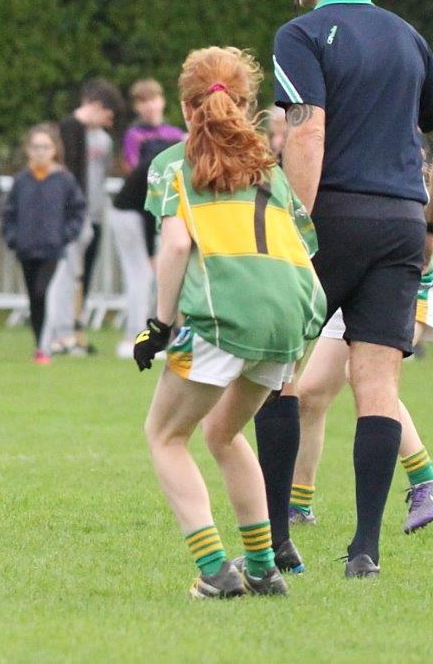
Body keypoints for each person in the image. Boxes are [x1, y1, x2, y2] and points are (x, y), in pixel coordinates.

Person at [267, 0, 433, 578]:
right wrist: (431, 226)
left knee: (279, 369)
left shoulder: (299, 35)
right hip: (402, 223)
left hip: (333, 218)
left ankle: (279, 540)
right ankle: (364, 550)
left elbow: (306, 133)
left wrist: (295, 225)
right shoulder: (409, 38)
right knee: (377, 383)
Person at [136, 46, 325, 599]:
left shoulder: (174, 162)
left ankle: (217, 570)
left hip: (225, 315)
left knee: (165, 436)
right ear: (245, 107)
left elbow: (175, 247)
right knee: (224, 432)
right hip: (290, 318)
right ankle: (264, 566)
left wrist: (158, 325)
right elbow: (305, 244)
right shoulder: (271, 170)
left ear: (185, 105)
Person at [290, 251, 433, 534]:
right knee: (310, 394)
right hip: (356, 281)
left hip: (405, 278)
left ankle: (426, 478)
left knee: (366, 373)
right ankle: (298, 506)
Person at [43, 80, 120, 355]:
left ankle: (71, 331)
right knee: (65, 275)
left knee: (77, 277)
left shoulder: (98, 138)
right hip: (69, 216)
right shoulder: (67, 129)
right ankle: (58, 333)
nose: (109, 123)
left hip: (90, 214)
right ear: (97, 107)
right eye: (108, 115)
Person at [110, 80, 184, 358]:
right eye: (144, 101)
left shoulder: (175, 135)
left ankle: (157, 334)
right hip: (132, 212)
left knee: (161, 276)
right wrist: (150, 249)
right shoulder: (136, 138)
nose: (150, 106)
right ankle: (135, 337)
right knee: (140, 275)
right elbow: (142, 193)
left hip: (155, 212)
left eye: (154, 99)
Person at [1, 124, 86, 364]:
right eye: (36, 147)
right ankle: (39, 345)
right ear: (28, 150)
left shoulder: (64, 179)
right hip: (27, 249)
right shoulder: (21, 180)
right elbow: (9, 213)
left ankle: (48, 343)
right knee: (34, 298)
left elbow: (77, 211)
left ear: (54, 150)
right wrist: (13, 238)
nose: (40, 152)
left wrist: (65, 235)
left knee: (44, 291)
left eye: (45, 147)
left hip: (53, 249)